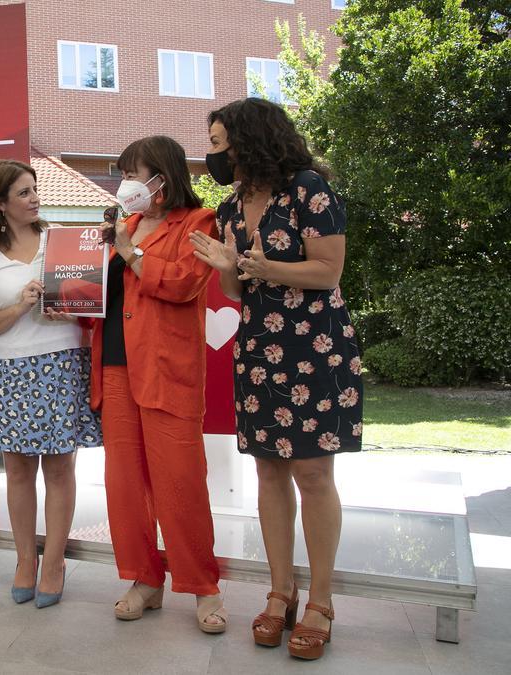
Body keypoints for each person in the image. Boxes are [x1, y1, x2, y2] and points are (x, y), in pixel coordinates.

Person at [190, 97, 364, 660]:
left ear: (250, 139)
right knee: (269, 474)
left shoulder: (310, 188)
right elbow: (242, 290)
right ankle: (279, 592)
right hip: (261, 348)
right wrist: (230, 271)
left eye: (218, 143)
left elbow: (328, 269)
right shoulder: (231, 207)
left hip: (317, 346)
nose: (212, 154)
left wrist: (268, 268)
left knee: (312, 473)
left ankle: (320, 600)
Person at [85, 136, 226, 633]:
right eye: (122, 172)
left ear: (162, 178)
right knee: (124, 483)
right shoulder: (120, 225)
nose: (126, 183)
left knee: (179, 481)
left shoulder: (199, 222)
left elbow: (185, 283)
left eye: (135, 172)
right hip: (116, 366)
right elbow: (95, 295)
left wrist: (129, 252)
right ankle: (144, 579)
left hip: (167, 369)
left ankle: (203, 585)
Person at [0, 160, 102, 608]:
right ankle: (26, 559)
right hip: (10, 371)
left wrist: (73, 308)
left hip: (63, 363)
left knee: (61, 468)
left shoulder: (62, 238)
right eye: (23, 193)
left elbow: (90, 300)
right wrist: (22, 306)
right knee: (18, 469)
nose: (34, 199)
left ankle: (54, 562)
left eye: (34, 189)